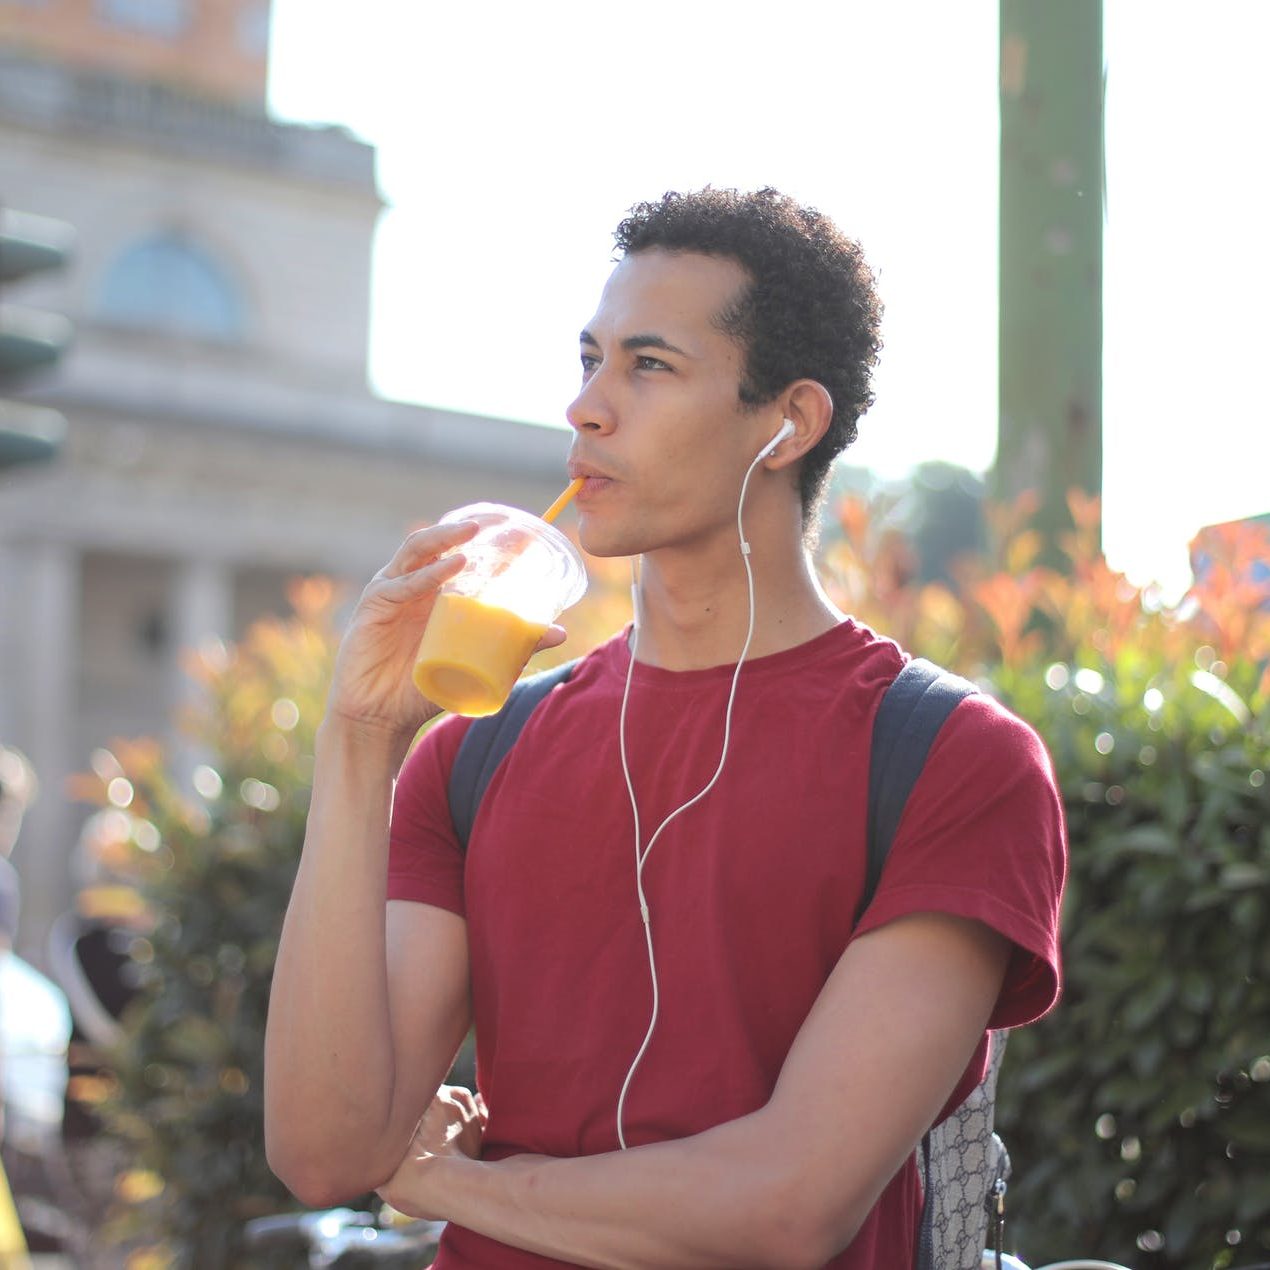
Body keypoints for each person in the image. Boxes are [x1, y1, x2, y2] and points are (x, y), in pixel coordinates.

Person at [264, 187, 1067, 1269]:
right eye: (588, 359)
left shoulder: (949, 758)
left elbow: (787, 1205)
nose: (587, 409)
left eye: (648, 366)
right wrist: (360, 741)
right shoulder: (472, 750)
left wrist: (446, 1181)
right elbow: (322, 1150)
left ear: (789, 422)